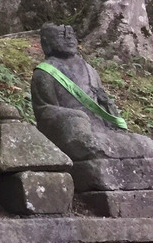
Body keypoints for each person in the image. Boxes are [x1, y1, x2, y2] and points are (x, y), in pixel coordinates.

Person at [31, 23, 153, 161]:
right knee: (89, 143)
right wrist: (75, 117)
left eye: (71, 35)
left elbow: (102, 102)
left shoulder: (90, 70)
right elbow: (44, 110)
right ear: (47, 42)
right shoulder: (44, 73)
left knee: (146, 145)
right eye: (61, 35)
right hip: (75, 128)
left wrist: (110, 111)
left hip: (102, 128)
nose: (68, 38)